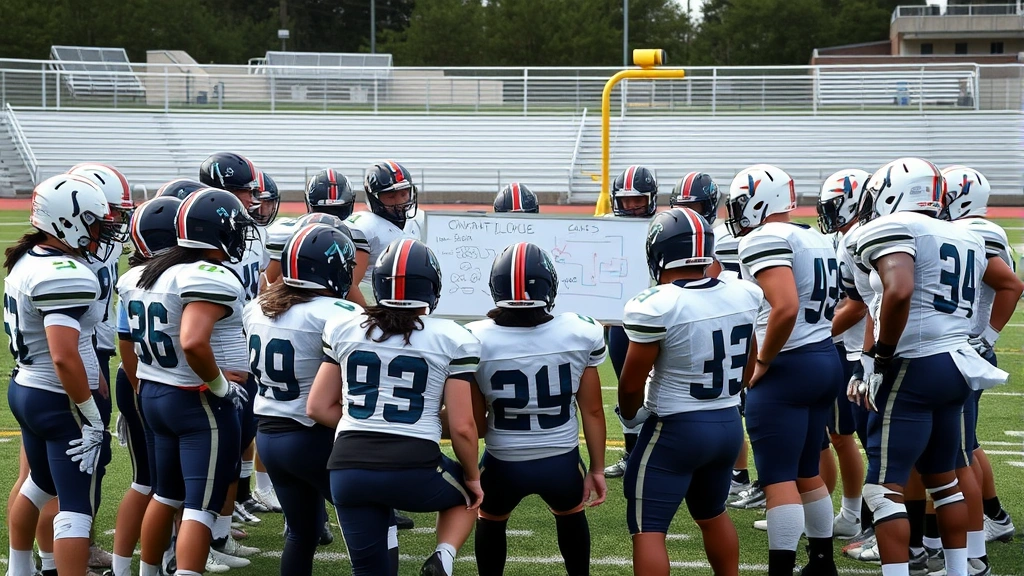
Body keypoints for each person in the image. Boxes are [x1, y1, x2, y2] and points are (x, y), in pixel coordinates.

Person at [848, 157, 1022, 576]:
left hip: (915, 364)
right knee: (944, 480)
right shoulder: (965, 234)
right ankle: (962, 569)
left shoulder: (893, 228)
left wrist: (880, 356)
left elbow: (900, 288)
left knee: (882, 490)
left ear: (893, 191)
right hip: (958, 364)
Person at [308, 238, 483, 576]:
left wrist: (363, 421)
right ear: (432, 288)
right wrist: (473, 477)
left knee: (369, 571)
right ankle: (443, 558)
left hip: (347, 468)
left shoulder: (345, 327)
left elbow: (317, 406)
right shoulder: (451, 337)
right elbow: (463, 426)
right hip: (414, 465)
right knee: (466, 498)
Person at [119, 188, 256, 576]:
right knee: (200, 506)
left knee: (166, 495)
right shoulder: (208, 276)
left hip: (155, 392)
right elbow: (194, 342)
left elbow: (127, 340)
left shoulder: (152, 271)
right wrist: (220, 387)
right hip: (195, 401)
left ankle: (148, 572)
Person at [618, 207, 761, 576]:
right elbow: (750, 364)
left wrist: (631, 415)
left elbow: (631, 382)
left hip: (675, 429)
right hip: (728, 424)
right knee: (712, 514)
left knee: (648, 528)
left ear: (659, 252)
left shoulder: (657, 304)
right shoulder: (742, 292)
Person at [725, 163, 844, 576]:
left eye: (741, 202)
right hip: (823, 355)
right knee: (807, 470)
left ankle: (782, 570)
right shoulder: (815, 237)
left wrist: (762, 360)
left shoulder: (765, 237)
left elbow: (786, 306)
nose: (735, 211)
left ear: (761, 199)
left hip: (789, 365)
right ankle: (822, 563)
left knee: (778, 478)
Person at [468, 242, 607, 576]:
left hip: (503, 463)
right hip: (561, 463)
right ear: (550, 285)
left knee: (491, 521)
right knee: (571, 517)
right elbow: (592, 412)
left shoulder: (474, 338)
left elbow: (474, 423)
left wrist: (470, 472)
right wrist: (598, 469)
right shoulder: (579, 330)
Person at [5, 174, 117, 576]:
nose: (99, 230)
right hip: (58, 398)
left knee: (39, 484)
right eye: (92, 221)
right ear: (67, 219)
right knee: (76, 508)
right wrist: (88, 414)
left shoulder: (29, 256)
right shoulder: (64, 273)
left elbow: (75, 344)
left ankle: (19, 569)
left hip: (26, 387)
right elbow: (64, 354)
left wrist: (94, 375)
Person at [245, 224, 361, 576]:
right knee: (372, 524)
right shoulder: (338, 313)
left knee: (302, 533)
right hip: (315, 434)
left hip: (269, 435)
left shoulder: (256, 308)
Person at [941, 165, 1018, 572]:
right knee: (965, 443)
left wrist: (986, 337)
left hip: (965, 349)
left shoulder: (976, 232)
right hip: (966, 348)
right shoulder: (982, 229)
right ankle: (996, 517)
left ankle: (972, 553)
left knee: (958, 453)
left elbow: (1011, 284)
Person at [110, 196, 181, 576]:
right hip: (148, 380)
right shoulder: (166, 279)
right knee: (148, 483)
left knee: (164, 483)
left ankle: (164, 557)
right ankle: (126, 566)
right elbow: (127, 349)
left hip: (145, 379)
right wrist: (142, 390)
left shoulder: (133, 278)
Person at [816, 168, 871, 540]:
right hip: (849, 347)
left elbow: (860, 304)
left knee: (864, 440)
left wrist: (817, 332)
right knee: (840, 434)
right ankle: (853, 515)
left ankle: (873, 522)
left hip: (858, 351)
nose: (828, 213)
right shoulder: (847, 236)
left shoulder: (860, 238)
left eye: (834, 205)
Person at [603, 165, 658, 479]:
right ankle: (630, 454)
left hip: (661, 320)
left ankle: (661, 455)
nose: (633, 206)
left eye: (639, 199)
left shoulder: (665, 225)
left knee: (663, 389)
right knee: (628, 389)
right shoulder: (608, 227)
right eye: (626, 200)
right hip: (621, 323)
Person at [345, 161, 422, 308]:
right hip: (376, 305)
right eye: (391, 197)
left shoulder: (421, 220)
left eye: (403, 194)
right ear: (374, 198)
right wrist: (368, 316)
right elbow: (350, 284)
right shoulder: (364, 227)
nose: (399, 202)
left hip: (413, 303)